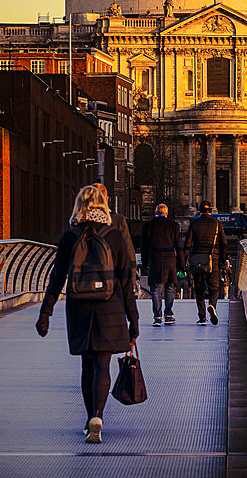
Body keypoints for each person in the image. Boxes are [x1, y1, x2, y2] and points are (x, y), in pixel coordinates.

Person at [35, 185, 138, 445]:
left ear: (79, 206)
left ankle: (88, 418)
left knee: (86, 364)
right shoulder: (114, 235)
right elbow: (126, 278)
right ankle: (98, 416)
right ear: (103, 204)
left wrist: (45, 312)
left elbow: (57, 276)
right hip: (110, 305)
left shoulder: (70, 235)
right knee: (102, 365)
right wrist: (133, 318)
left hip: (79, 306)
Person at [183, 200, 227, 326]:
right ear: (210, 211)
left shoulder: (194, 224)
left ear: (200, 210)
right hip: (212, 261)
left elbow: (188, 244)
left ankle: (202, 317)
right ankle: (212, 305)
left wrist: (184, 259)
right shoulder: (217, 224)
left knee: (199, 289)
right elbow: (223, 244)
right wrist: (223, 260)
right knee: (214, 288)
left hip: (197, 261)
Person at [140, 202, 184, 326]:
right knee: (170, 287)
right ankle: (169, 315)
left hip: (155, 259)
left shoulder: (148, 226)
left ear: (155, 213)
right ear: (166, 213)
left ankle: (157, 317)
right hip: (170, 260)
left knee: (156, 289)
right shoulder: (174, 225)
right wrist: (181, 264)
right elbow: (179, 246)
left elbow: (144, 247)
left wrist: (144, 264)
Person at [92, 182, 138, 294]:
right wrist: (131, 280)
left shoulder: (78, 224)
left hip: (85, 283)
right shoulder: (118, 221)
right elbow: (129, 252)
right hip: (112, 280)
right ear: (106, 199)